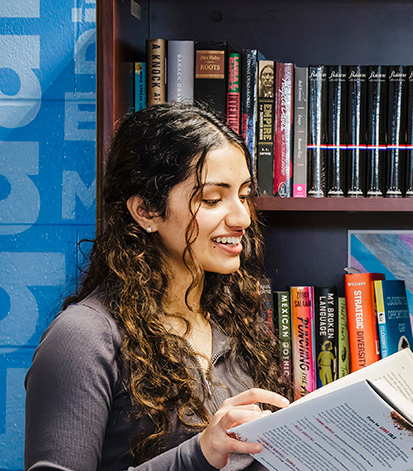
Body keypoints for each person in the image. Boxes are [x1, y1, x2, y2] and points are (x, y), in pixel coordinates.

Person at [24, 102, 290, 470]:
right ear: (146, 211)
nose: (242, 217)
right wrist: (199, 455)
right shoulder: (82, 338)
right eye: (212, 199)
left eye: (244, 195)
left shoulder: (235, 320)